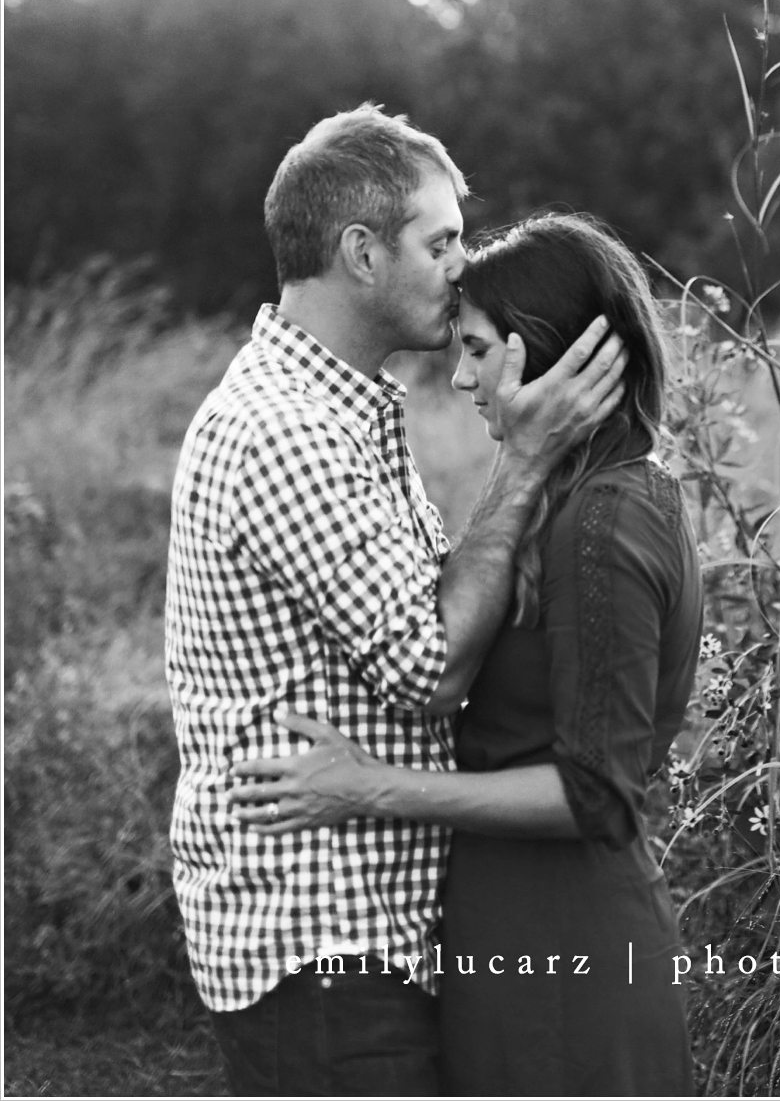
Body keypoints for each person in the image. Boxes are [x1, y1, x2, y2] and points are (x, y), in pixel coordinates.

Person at [165, 107, 626, 1097]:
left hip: (371, 941)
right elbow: (428, 666)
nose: (463, 268)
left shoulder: (348, 413)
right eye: (442, 241)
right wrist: (530, 459)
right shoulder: (282, 431)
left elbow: (426, 608)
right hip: (323, 947)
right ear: (362, 253)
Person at [231, 213, 704, 1097]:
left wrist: (369, 785)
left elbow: (596, 790)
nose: (459, 375)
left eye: (481, 349)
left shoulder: (606, 519)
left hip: (565, 948)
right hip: (512, 936)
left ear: (553, 355)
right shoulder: (564, 505)